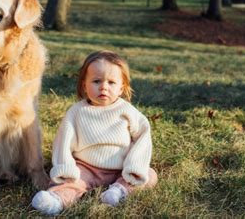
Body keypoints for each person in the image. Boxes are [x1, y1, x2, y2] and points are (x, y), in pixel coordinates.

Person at [32, 50, 157, 215]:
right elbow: (63, 144)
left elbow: (143, 137)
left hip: (121, 168)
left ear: (122, 88)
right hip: (86, 168)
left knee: (149, 174)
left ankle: (119, 191)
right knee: (72, 182)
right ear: (84, 85)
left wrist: (134, 165)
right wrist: (65, 168)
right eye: (97, 81)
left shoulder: (127, 111)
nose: (104, 87)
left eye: (111, 82)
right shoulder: (77, 112)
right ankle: (56, 199)